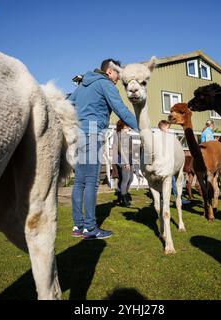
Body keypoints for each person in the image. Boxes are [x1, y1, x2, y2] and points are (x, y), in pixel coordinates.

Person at [69, 59, 138, 240]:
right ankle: (90, 228)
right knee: (91, 181)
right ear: (109, 71)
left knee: (79, 182)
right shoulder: (106, 84)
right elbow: (121, 109)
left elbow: (68, 103)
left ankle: (78, 226)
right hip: (92, 131)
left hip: (78, 133)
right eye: (118, 73)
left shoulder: (83, 85)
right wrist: (141, 127)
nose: (119, 77)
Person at [158, 120, 190, 205]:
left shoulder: (168, 137)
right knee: (168, 182)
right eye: (168, 127)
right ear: (163, 127)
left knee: (173, 181)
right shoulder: (160, 137)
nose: (168, 129)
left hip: (171, 163)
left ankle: (176, 198)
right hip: (164, 164)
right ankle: (166, 199)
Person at [112, 120, 134, 207]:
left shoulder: (128, 135)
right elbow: (120, 150)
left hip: (130, 160)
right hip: (123, 160)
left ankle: (121, 196)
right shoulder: (118, 135)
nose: (129, 126)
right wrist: (126, 162)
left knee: (130, 179)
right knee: (125, 180)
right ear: (123, 126)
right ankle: (124, 200)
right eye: (127, 125)